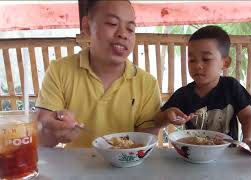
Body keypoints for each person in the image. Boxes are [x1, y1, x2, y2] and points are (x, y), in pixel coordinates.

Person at [36, 0, 161, 148]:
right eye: (112, 24)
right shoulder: (60, 70)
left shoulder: (147, 83)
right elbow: (41, 137)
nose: (123, 34)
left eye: (130, 29)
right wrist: (54, 131)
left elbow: (145, 144)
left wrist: (161, 121)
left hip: (127, 168)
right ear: (87, 27)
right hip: (76, 168)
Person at [155, 26, 251, 154]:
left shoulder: (231, 87)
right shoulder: (184, 94)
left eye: (206, 59)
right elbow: (157, 121)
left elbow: (248, 117)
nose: (197, 65)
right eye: (192, 60)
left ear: (225, 63)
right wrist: (167, 115)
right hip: (192, 156)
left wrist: (249, 139)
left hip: (227, 157)